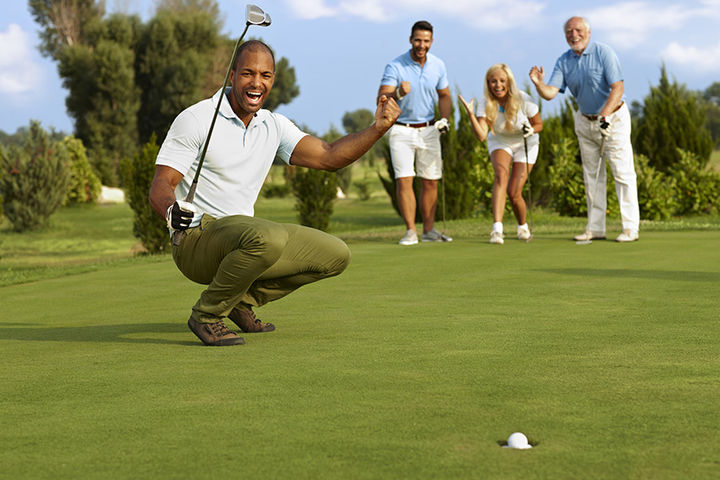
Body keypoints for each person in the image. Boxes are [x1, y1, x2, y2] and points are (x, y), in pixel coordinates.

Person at [149, 40, 401, 346]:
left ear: (273, 79)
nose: (257, 83)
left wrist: (378, 128)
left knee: (335, 255)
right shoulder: (197, 119)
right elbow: (162, 183)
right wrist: (170, 209)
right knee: (268, 236)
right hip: (196, 240)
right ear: (231, 75)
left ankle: (240, 302)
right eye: (248, 74)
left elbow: (330, 156)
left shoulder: (274, 126)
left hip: (246, 239)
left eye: (265, 75)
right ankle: (207, 314)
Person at [529, 16, 640, 243]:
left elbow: (617, 88)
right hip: (585, 121)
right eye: (569, 32)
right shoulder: (564, 60)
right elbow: (551, 93)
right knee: (592, 176)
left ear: (588, 32)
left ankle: (630, 228)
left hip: (614, 118)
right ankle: (596, 228)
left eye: (578, 30)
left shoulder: (603, 52)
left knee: (622, 173)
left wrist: (605, 115)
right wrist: (539, 84)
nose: (574, 35)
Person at [377, 20, 453, 246]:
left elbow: (445, 95)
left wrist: (445, 119)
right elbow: (382, 99)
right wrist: (399, 92)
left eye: (426, 41)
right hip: (401, 130)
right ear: (410, 40)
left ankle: (428, 230)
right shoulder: (395, 66)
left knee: (430, 181)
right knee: (405, 180)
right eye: (418, 40)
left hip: (430, 129)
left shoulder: (438, 65)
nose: (422, 45)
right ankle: (411, 231)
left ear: (432, 41)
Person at [459, 64, 542, 244]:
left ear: (509, 82)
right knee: (500, 176)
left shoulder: (523, 99)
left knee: (514, 192)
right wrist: (471, 115)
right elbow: (481, 135)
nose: (498, 85)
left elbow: (539, 124)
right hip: (500, 141)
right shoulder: (484, 102)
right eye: (493, 81)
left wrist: (531, 130)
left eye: (502, 81)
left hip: (525, 141)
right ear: (488, 83)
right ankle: (497, 230)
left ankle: (522, 226)